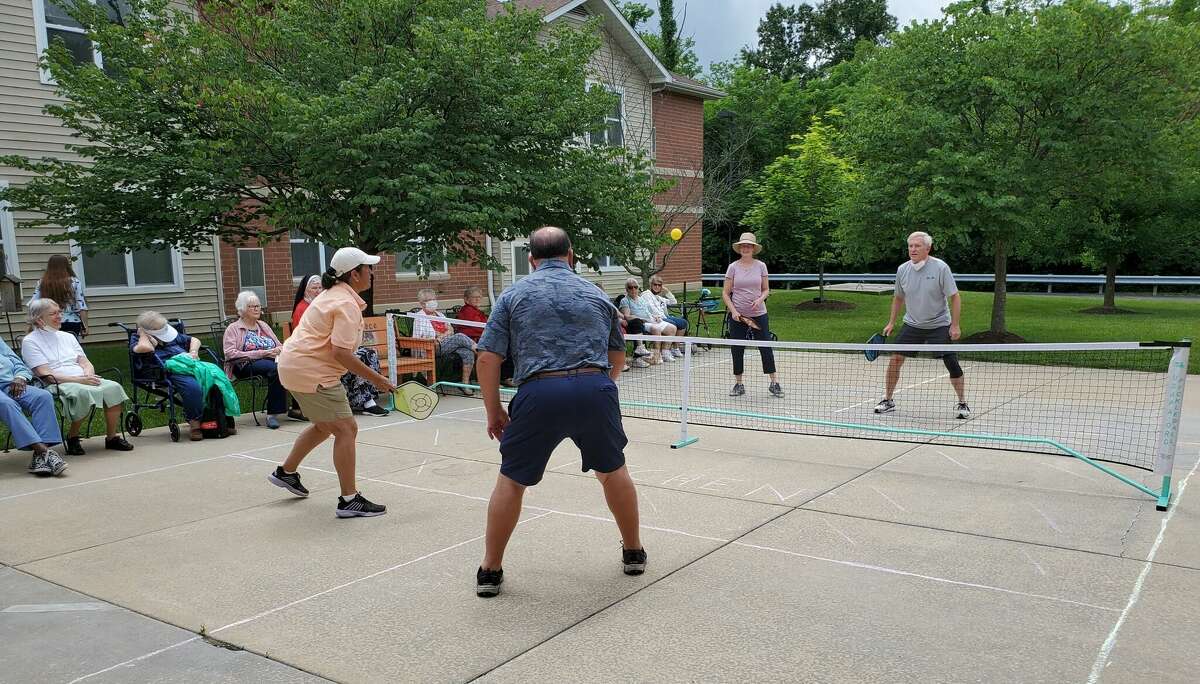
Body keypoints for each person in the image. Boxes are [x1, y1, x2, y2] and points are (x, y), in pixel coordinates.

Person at [474, 226, 645, 598]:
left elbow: (488, 356)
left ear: (532, 260)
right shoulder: (597, 294)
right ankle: (633, 552)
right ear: (571, 255)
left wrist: (494, 410)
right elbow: (618, 353)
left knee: (512, 481)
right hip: (595, 388)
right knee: (613, 471)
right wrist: (602, 386)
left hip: (539, 392)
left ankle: (490, 570)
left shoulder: (513, 295)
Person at [269, 247, 396, 518]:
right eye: (368, 268)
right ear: (354, 274)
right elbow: (341, 353)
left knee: (325, 426)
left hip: (293, 367)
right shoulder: (345, 304)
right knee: (346, 429)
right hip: (312, 371)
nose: (372, 273)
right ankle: (349, 499)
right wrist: (379, 380)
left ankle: (286, 472)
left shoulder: (333, 295)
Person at [874, 231, 969, 419]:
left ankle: (962, 403)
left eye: (917, 246)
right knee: (895, 360)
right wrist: (892, 321)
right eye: (910, 246)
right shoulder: (903, 269)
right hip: (912, 323)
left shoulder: (941, 268)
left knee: (951, 362)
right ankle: (888, 399)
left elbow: (955, 297)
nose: (913, 249)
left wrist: (955, 325)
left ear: (928, 248)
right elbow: (898, 297)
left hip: (939, 323)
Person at [22, 298, 134, 455]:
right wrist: (81, 380)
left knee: (113, 387)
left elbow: (85, 361)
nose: (60, 316)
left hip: (83, 378)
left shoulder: (67, 337)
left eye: (59, 312)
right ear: (39, 319)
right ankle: (73, 436)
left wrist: (88, 373)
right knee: (83, 392)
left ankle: (111, 437)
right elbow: (45, 374)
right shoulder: (30, 341)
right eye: (53, 313)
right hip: (56, 382)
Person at [292, 274, 387, 416]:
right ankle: (364, 401)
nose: (318, 290)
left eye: (320, 287)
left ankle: (366, 399)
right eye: (314, 288)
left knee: (368, 353)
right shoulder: (303, 308)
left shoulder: (326, 303)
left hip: (334, 346)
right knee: (357, 357)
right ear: (305, 290)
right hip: (319, 352)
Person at [132, 311, 236, 441]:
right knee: (192, 387)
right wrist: (143, 334)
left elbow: (194, 340)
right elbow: (144, 348)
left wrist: (193, 351)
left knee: (218, 380)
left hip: (190, 365)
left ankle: (222, 418)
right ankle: (195, 424)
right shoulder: (138, 339)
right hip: (167, 371)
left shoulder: (172, 337)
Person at [722, 232, 783, 398]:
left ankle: (774, 382)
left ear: (753, 248)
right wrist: (734, 311)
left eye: (748, 246)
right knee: (737, 349)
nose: (745, 248)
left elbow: (766, 289)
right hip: (738, 316)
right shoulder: (733, 267)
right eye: (743, 245)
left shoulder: (761, 266)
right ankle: (739, 383)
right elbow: (726, 293)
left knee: (765, 347)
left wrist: (760, 299)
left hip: (759, 314)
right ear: (739, 248)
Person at [0, 336, 67, 476]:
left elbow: (17, 363)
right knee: (6, 403)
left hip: (9, 384)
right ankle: (44, 452)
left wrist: (20, 377)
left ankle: (40, 459)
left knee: (42, 397)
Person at [223, 291, 287, 429]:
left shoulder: (263, 326)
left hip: (270, 359)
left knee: (293, 365)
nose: (257, 309)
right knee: (276, 369)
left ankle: (299, 408)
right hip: (245, 364)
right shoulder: (233, 329)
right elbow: (230, 354)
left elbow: (278, 345)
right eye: (252, 306)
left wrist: (279, 351)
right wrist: (264, 353)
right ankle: (272, 415)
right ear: (242, 310)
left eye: (258, 306)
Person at [413, 288, 477, 396]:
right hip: (433, 348)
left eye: (433, 299)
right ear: (422, 303)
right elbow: (423, 335)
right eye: (429, 300)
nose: (432, 301)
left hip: (448, 343)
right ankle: (479, 350)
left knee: (467, 352)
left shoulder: (440, 315)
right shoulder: (419, 317)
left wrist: (443, 335)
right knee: (460, 336)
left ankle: (465, 384)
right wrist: (441, 335)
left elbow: (450, 329)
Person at [618, 278, 676, 365]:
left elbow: (648, 312)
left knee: (672, 328)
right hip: (640, 323)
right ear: (627, 289)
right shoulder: (625, 300)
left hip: (651, 319)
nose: (633, 289)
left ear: (638, 288)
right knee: (656, 329)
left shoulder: (641, 299)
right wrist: (640, 318)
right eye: (630, 287)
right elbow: (626, 316)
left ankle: (665, 353)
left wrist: (655, 316)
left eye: (635, 287)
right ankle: (656, 357)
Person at [30, 255, 88, 338]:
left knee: (51, 349)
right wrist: (85, 326)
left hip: (49, 322)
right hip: (72, 323)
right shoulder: (75, 282)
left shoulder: (42, 283)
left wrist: (34, 323)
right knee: (70, 348)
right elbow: (81, 306)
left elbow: (33, 304)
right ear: (67, 266)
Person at [647, 276, 690, 356]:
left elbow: (673, 302)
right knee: (673, 323)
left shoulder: (659, 298)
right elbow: (650, 310)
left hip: (665, 317)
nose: (657, 287)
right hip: (656, 319)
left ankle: (675, 348)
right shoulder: (647, 295)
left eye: (659, 285)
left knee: (683, 322)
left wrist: (667, 292)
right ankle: (665, 351)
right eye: (655, 285)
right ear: (651, 285)